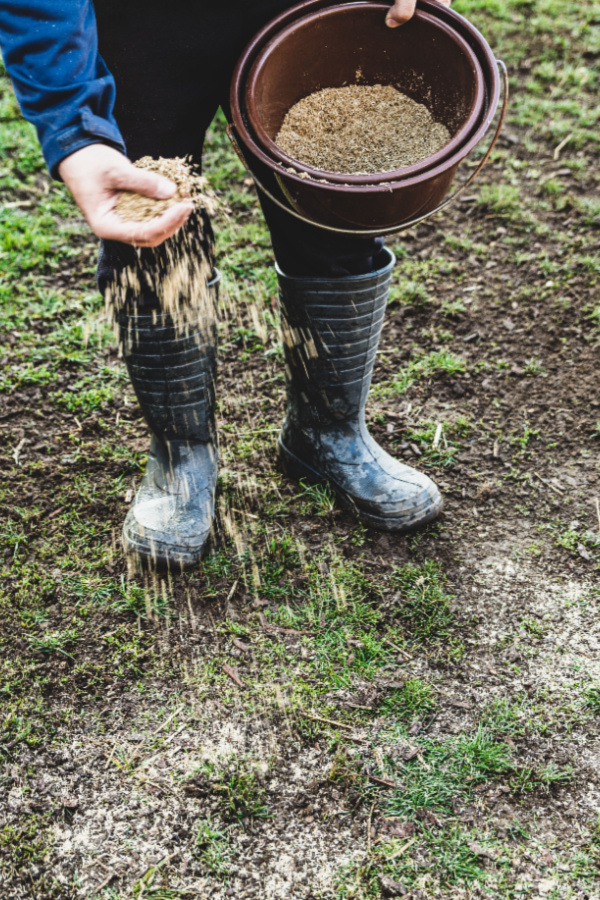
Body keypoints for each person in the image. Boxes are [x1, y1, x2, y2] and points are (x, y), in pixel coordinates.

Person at [0, 0, 450, 569]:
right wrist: (74, 125)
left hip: (306, 9)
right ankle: (181, 455)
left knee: (338, 212)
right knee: (150, 222)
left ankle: (328, 434)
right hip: (137, 22)